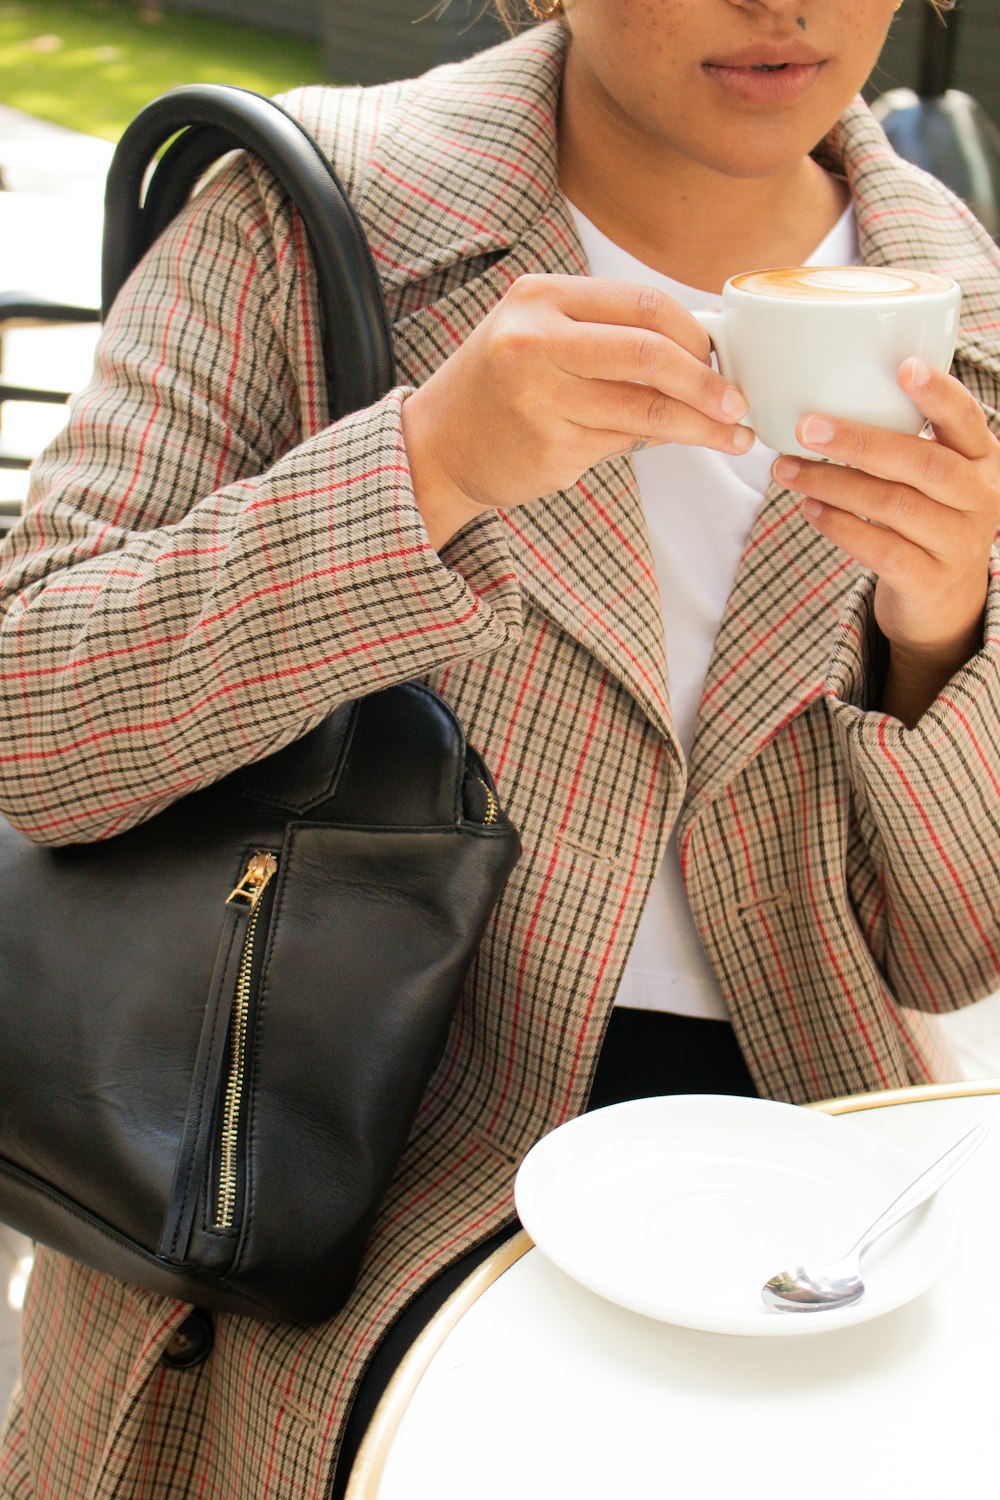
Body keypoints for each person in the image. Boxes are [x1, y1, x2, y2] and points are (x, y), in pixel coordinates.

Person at [1, 0, 999, 1494]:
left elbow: (954, 953)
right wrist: (425, 469)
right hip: (330, 1155)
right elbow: (36, 728)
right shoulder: (302, 218)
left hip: (806, 1185)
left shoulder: (964, 317)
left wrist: (943, 632)